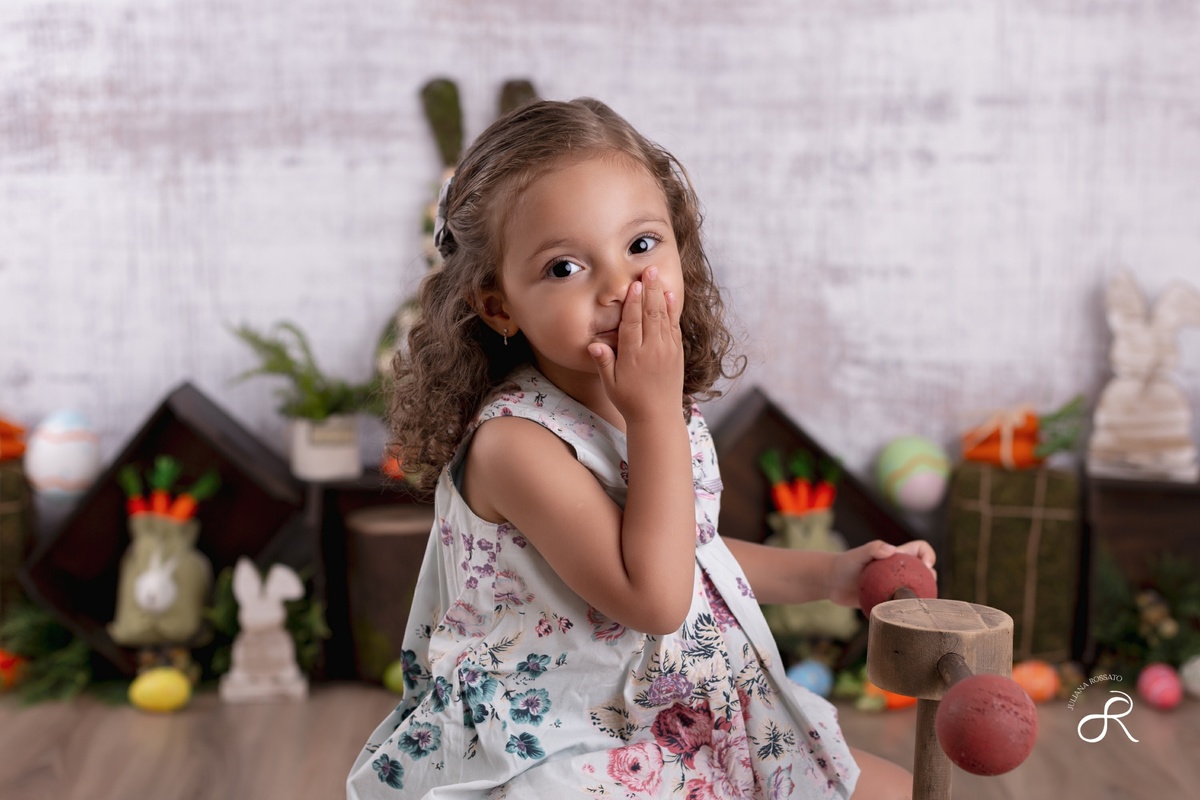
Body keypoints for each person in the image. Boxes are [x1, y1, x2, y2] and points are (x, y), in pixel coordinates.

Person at [347, 98, 935, 800]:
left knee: (904, 791)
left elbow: (690, 555)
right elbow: (654, 599)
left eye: (641, 245)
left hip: (690, 716)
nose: (618, 286)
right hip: (572, 743)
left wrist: (830, 575)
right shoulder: (515, 446)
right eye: (565, 267)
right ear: (499, 304)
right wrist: (653, 413)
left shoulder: (653, 407)